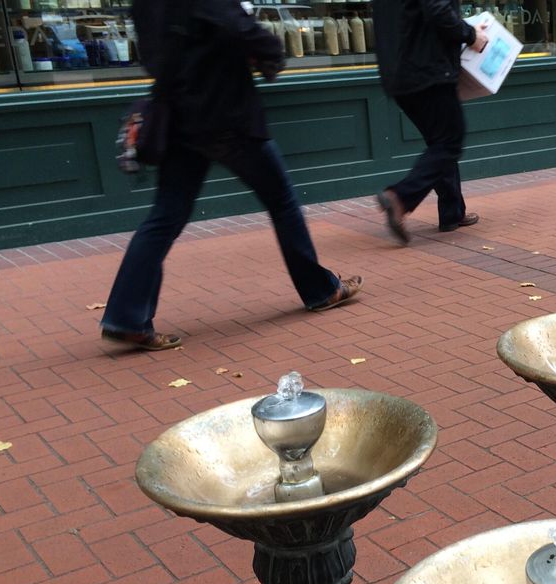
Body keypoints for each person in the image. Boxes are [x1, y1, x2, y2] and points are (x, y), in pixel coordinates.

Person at [100, 0, 361, 352]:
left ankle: (126, 317)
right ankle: (321, 289)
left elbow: (154, 52)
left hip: (178, 116)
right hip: (226, 113)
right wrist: (270, 52)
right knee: (281, 200)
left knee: (165, 216)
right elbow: (237, 24)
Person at [372, 0, 489, 244]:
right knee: (449, 141)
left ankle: (452, 212)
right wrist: (470, 35)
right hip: (427, 70)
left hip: (399, 72)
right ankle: (399, 197)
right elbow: (437, 9)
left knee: (439, 143)